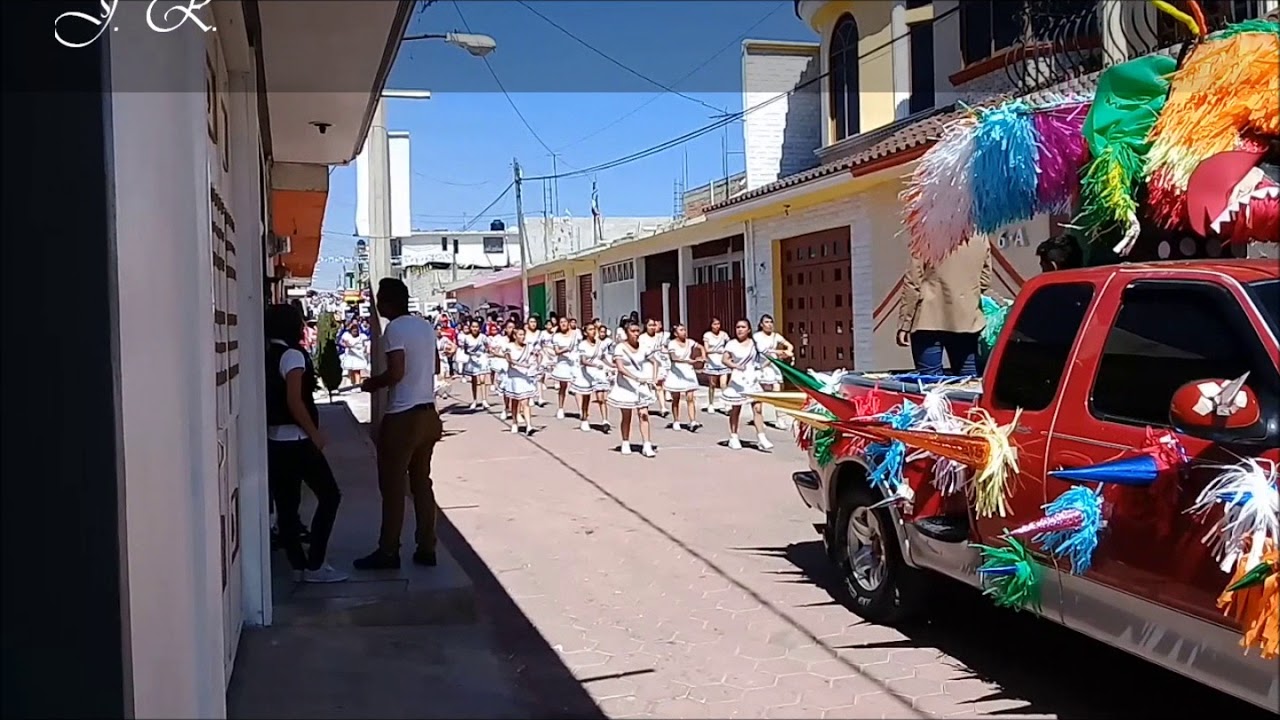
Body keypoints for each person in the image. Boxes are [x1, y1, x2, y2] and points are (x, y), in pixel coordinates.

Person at [355, 278, 445, 570]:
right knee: (422, 483)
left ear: (391, 302)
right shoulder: (425, 326)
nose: (378, 304)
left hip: (402, 416)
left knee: (393, 487)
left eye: (380, 299)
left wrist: (372, 383)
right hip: (429, 414)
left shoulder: (394, 329)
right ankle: (427, 546)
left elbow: (396, 371)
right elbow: (437, 367)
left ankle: (389, 550)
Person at [264, 303, 346, 583]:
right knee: (330, 495)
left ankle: (298, 563)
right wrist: (315, 434)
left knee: (287, 506)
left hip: (275, 440)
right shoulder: (292, 356)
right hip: (297, 440)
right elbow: (295, 401)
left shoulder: (268, 354)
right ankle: (316, 564)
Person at [897, 235, 992, 376]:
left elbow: (913, 282)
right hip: (966, 318)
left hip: (929, 318)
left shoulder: (927, 235)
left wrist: (905, 323)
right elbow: (985, 279)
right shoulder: (980, 237)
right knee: (968, 380)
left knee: (930, 383)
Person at [607, 320, 657, 457]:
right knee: (627, 415)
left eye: (637, 331)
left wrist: (654, 377)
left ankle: (647, 444)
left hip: (641, 386)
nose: (636, 334)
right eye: (632, 331)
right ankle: (625, 442)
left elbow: (655, 361)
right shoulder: (620, 348)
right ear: (626, 333)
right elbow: (620, 368)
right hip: (626, 385)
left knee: (644, 414)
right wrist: (635, 378)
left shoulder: (644, 346)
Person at [721, 318, 772, 451]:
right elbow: (725, 359)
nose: (740, 330)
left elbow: (767, 357)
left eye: (743, 327)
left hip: (752, 379)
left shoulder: (754, 343)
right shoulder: (731, 344)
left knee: (758, 408)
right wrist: (735, 366)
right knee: (736, 409)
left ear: (749, 330)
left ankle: (761, 437)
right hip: (738, 380)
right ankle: (734, 437)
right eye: (738, 327)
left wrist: (764, 366)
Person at [571, 323, 611, 432]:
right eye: (590, 329)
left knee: (601, 397)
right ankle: (584, 418)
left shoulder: (600, 344)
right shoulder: (582, 345)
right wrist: (594, 365)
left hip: (598, 373)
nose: (593, 331)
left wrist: (612, 365)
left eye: (594, 329)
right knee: (586, 398)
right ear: (585, 332)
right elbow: (583, 361)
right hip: (586, 373)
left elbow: (602, 357)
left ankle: (605, 420)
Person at [665, 323, 704, 432]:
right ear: (675, 333)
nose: (684, 332)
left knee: (690, 397)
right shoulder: (672, 344)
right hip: (677, 371)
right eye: (681, 330)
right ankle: (676, 420)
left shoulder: (690, 342)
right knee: (676, 398)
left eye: (684, 330)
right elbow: (674, 358)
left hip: (688, 371)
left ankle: (693, 421)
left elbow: (700, 346)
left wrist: (703, 357)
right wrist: (688, 360)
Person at [500, 326, 539, 434]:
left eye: (523, 335)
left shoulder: (528, 347)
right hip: (514, 377)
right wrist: (522, 365)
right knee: (515, 401)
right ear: (514, 336)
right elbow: (509, 360)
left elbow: (536, 356)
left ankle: (529, 425)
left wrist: (536, 362)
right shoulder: (509, 346)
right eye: (520, 335)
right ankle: (514, 422)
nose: (522, 337)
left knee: (525, 401)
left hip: (524, 377)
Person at [752, 314, 794, 392]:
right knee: (762, 389)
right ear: (761, 324)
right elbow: (763, 350)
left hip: (773, 364)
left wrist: (787, 352)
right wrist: (779, 352)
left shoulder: (776, 336)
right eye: (767, 322)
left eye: (771, 322)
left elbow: (790, 345)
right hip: (762, 365)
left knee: (776, 386)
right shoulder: (756, 336)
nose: (769, 324)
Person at [548, 316, 578, 419]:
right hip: (562, 363)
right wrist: (565, 349)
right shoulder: (557, 336)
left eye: (565, 322)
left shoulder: (576, 334)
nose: (563, 324)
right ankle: (560, 408)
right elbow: (556, 351)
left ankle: (581, 410)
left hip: (574, 363)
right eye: (561, 322)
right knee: (563, 386)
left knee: (577, 387)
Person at [458, 319, 490, 410]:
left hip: (482, 358)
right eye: (473, 327)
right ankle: (475, 400)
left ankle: (484, 400)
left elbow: (487, 347)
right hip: (472, 359)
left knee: (482, 379)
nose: (475, 329)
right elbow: (465, 349)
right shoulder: (466, 338)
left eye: (476, 327)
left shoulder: (483, 337)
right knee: (474, 380)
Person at [641, 318, 670, 418]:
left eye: (654, 325)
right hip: (647, 363)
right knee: (647, 386)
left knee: (659, 385)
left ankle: (663, 407)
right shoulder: (642, 338)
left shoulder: (658, 337)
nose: (652, 327)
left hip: (659, 362)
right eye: (650, 325)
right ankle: (645, 406)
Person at [701, 318, 730, 412]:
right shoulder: (707, 335)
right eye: (715, 324)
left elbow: (728, 346)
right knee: (712, 384)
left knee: (723, 384)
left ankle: (727, 404)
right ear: (711, 325)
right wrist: (717, 350)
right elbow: (707, 349)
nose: (717, 326)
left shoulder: (724, 335)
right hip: (712, 362)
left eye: (718, 324)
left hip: (722, 362)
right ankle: (710, 403)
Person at [489, 319, 516, 421]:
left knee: (515, 389)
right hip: (504, 366)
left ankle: (516, 411)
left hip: (515, 366)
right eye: (509, 327)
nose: (511, 330)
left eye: (513, 327)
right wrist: (505, 356)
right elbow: (494, 352)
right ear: (505, 329)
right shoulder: (501, 340)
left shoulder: (518, 339)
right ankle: (506, 407)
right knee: (506, 389)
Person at [339, 319, 370, 389]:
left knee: (357, 371)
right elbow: (341, 342)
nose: (355, 331)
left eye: (356, 329)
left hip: (358, 354)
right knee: (351, 371)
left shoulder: (362, 336)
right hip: (350, 354)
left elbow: (366, 343)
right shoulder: (346, 335)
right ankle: (353, 384)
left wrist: (366, 349)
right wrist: (346, 344)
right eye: (353, 329)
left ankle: (357, 385)